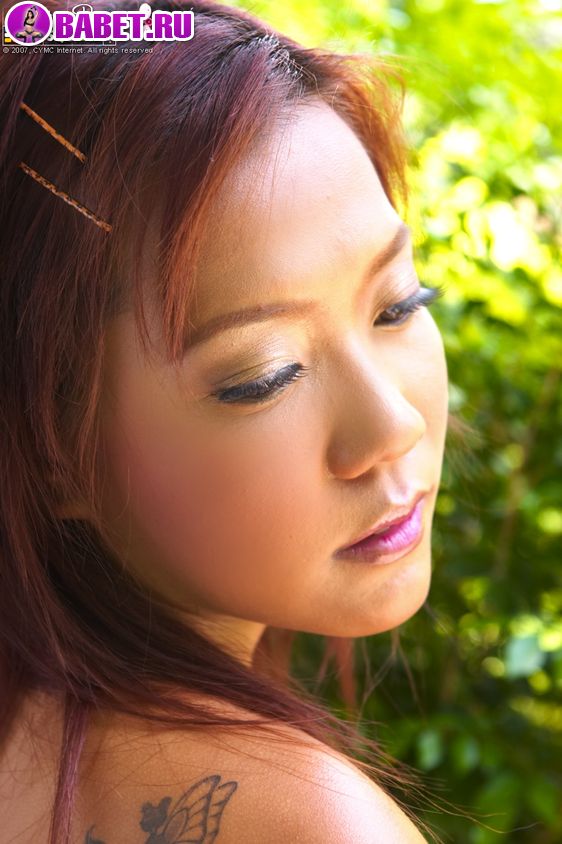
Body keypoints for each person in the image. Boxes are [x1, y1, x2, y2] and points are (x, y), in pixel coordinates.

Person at [0, 0, 452, 841]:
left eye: (399, 304)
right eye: (263, 376)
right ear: (53, 453)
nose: (393, 427)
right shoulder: (319, 825)